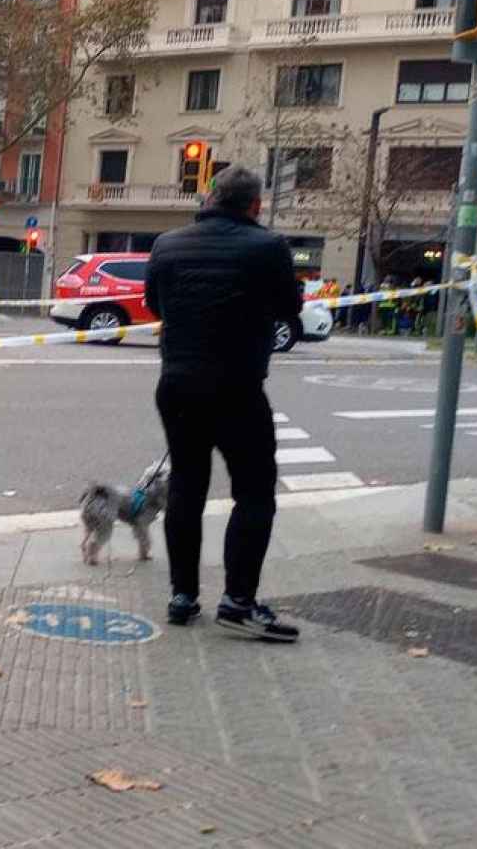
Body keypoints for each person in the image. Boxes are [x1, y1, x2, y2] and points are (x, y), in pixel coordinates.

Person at [145, 166, 303, 642]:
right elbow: (290, 308)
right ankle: (238, 600)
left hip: (178, 383)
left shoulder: (167, 244)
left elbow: (155, 305)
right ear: (255, 205)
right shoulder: (269, 247)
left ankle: (182, 596)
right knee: (254, 492)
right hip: (236, 386)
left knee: (187, 488)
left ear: (213, 197)